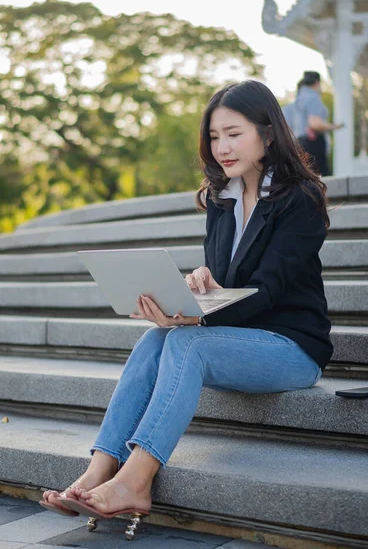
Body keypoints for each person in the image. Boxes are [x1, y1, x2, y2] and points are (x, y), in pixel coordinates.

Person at [39, 80, 333, 539]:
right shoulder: (221, 199)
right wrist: (198, 284)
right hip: (237, 338)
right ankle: (100, 468)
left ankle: (137, 481)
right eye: (215, 137)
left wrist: (198, 317)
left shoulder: (302, 198)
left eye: (234, 133)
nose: (222, 148)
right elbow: (227, 282)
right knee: (157, 337)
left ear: (269, 133)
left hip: (291, 346)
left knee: (188, 343)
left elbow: (269, 290)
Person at [282, 71, 343, 176]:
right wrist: (334, 126)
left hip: (298, 144)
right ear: (316, 83)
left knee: (306, 178)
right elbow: (314, 124)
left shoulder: (296, 101)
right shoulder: (312, 97)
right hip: (313, 143)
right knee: (322, 179)